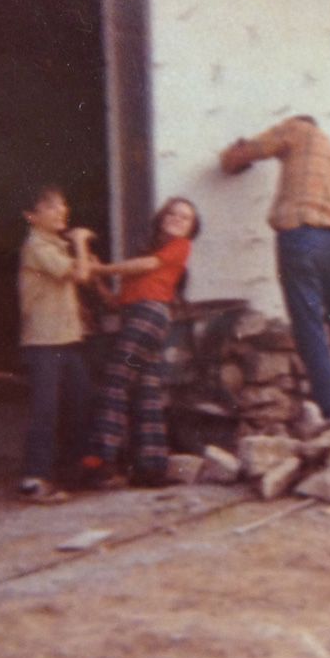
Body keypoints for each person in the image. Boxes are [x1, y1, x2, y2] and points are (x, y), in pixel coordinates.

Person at [219, 115, 330, 419]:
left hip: (302, 236)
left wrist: (229, 160)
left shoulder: (298, 128)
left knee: (309, 325)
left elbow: (253, 149)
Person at [82, 196, 201, 487]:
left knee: (116, 380)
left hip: (146, 319)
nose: (176, 219)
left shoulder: (178, 247)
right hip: (141, 324)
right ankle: (151, 467)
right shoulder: (149, 253)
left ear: (190, 228)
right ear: (162, 217)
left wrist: (101, 269)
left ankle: (100, 462)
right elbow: (114, 302)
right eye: (172, 213)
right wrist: (97, 278)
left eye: (184, 218)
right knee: (144, 383)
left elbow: (146, 265)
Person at [17, 184, 95, 503]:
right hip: (45, 341)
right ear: (31, 217)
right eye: (50, 207)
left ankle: (71, 468)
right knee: (45, 410)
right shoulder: (37, 245)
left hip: (65, 338)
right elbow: (80, 276)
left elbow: (79, 275)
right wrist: (80, 242)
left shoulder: (54, 244)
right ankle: (34, 478)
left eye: (62, 205)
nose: (61, 211)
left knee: (80, 401)